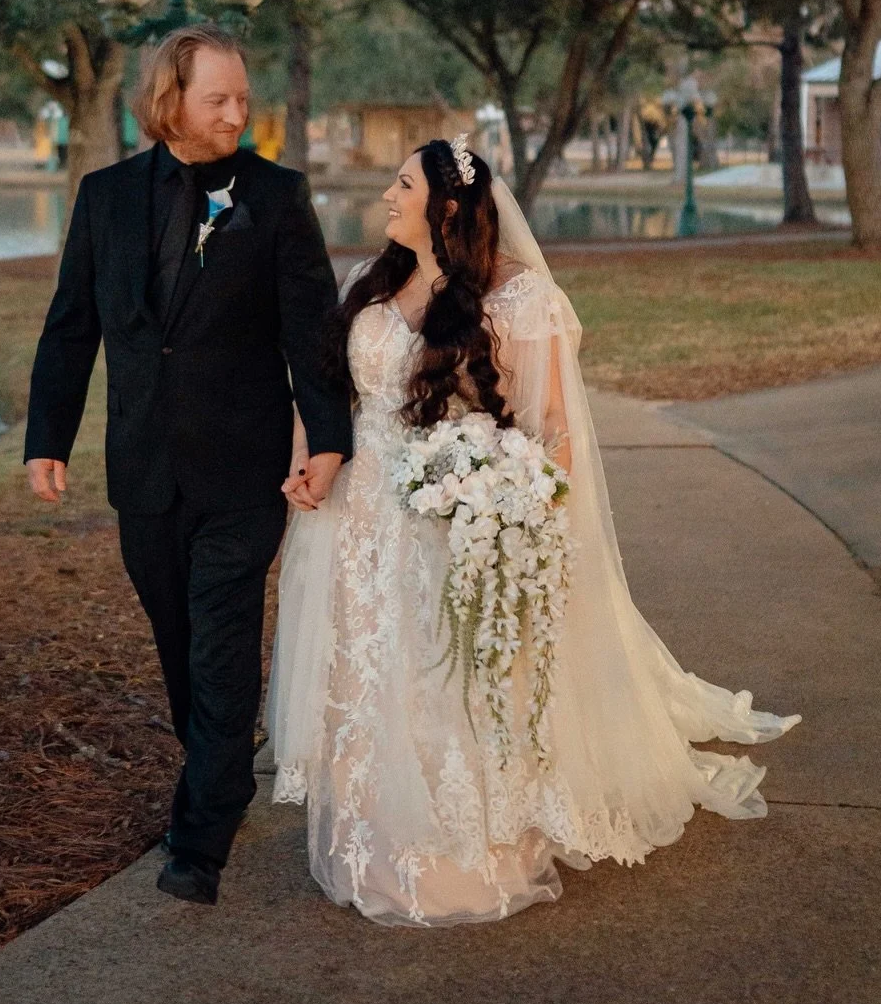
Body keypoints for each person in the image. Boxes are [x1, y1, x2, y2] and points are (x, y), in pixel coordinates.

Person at [267, 135, 799, 926]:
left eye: (402, 184)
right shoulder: (369, 282)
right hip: (356, 512)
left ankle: (456, 845)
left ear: (445, 208)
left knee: (439, 675)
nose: (386, 193)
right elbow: (332, 392)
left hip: (445, 519)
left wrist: (513, 517)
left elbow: (552, 435)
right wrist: (310, 457)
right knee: (361, 665)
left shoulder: (519, 301)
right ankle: (364, 828)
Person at [24, 25, 351, 906]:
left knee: (221, 645)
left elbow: (311, 331)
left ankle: (199, 841)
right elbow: (71, 327)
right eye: (220, 101)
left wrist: (326, 440)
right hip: (142, 470)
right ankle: (218, 764)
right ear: (170, 103)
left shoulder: (276, 198)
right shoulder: (104, 198)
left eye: (244, 98)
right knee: (181, 648)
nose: (238, 115)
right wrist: (46, 439)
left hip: (243, 472)